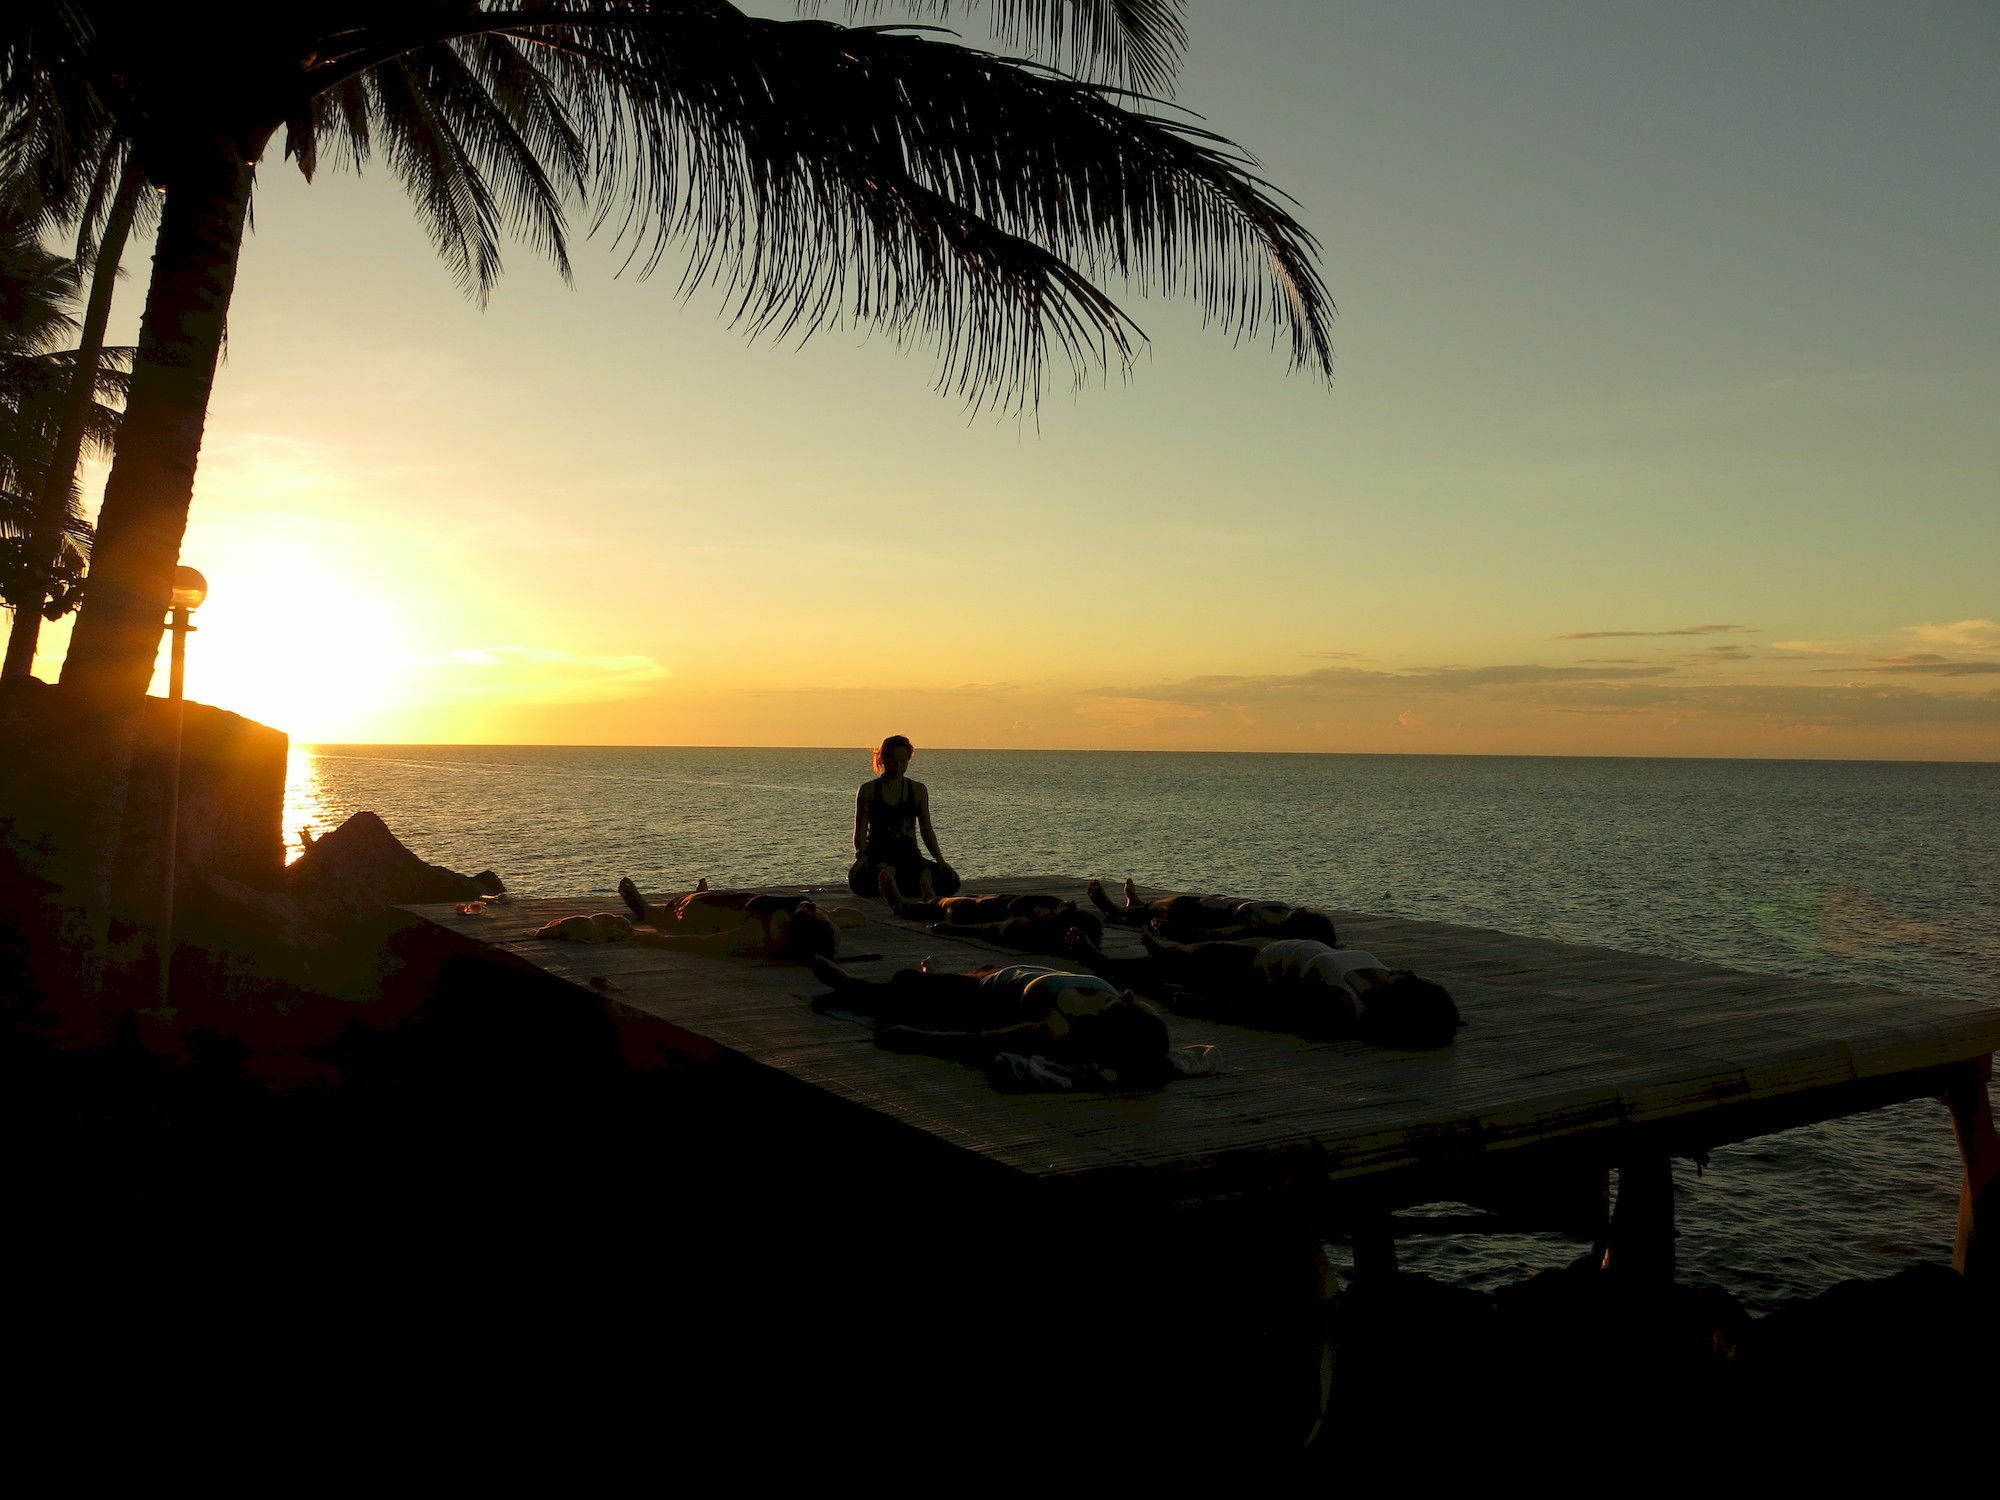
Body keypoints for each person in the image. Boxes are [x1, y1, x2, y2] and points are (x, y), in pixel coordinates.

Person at [807, 953, 1196, 1089]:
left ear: (1115, 1025)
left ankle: (850, 985)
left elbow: (980, 1038)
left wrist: (916, 1037)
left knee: (904, 987)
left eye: (1130, 1004)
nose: (1127, 995)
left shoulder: (1060, 1027)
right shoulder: (1107, 1000)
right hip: (1001, 974)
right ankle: (922, 977)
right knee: (917, 981)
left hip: (977, 997)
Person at [1066, 928, 1461, 1048]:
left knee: (1175, 970)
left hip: (1254, 971)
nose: (1408, 972)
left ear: (1402, 1001)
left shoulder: (1346, 1003)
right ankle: (1159, 951)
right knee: (1183, 958)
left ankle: (1098, 961)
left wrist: (1207, 1007)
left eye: (1413, 981)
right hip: (1272, 952)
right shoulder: (1383, 979)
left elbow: (1273, 1014)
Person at [617, 877, 843, 962]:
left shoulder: (757, 935)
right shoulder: (808, 915)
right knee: (707, 898)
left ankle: (643, 908)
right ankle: (701, 892)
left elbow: (707, 943)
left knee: (669, 912)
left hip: (695, 913)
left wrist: (659, 941)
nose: (812, 906)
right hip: (735, 902)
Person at [850, 735, 959, 899]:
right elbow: (860, 831)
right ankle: (894, 878)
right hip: (878, 857)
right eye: (893, 760)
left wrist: (940, 859)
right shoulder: (868, 790)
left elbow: (926, 828)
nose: (898, 766)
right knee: (858, 881)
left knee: (951, 881)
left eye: (903, 761)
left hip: (910, 857)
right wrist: (861, 856)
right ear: (883, 759)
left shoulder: (917, 790)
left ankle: (916, 879)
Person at [1085, 878, 1340, 944]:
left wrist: (1178, 932)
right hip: (1211, 902)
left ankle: (1118, 911)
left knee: (1156, 910)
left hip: (1197, 913)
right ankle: (1133, 907)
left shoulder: (1262, 926)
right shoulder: (1281, 911)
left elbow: (1220, 935)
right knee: (1151, 908)